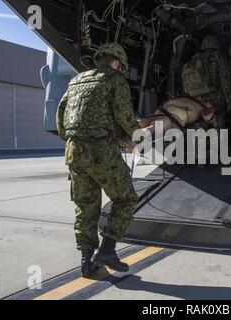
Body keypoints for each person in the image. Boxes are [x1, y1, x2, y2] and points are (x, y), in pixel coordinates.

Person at [56, 43, 140, 277]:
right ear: (117, 62)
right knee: (126, 199)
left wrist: (77, 138)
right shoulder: (115, 79)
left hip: (73, 151)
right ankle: (107, 250)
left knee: (86, 206)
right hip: (100, 151)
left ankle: (86, 261)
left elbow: (61, 119)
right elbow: (124, 116)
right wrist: (136, 137)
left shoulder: (76, 81)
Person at [181, 36, 231, 130]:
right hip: (215, 102)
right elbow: (225, 82)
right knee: (218, 130)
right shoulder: (219, 59)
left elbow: (185, 84)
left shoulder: (192, 61)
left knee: (199, 130)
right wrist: (228, 101)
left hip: (197, 101)